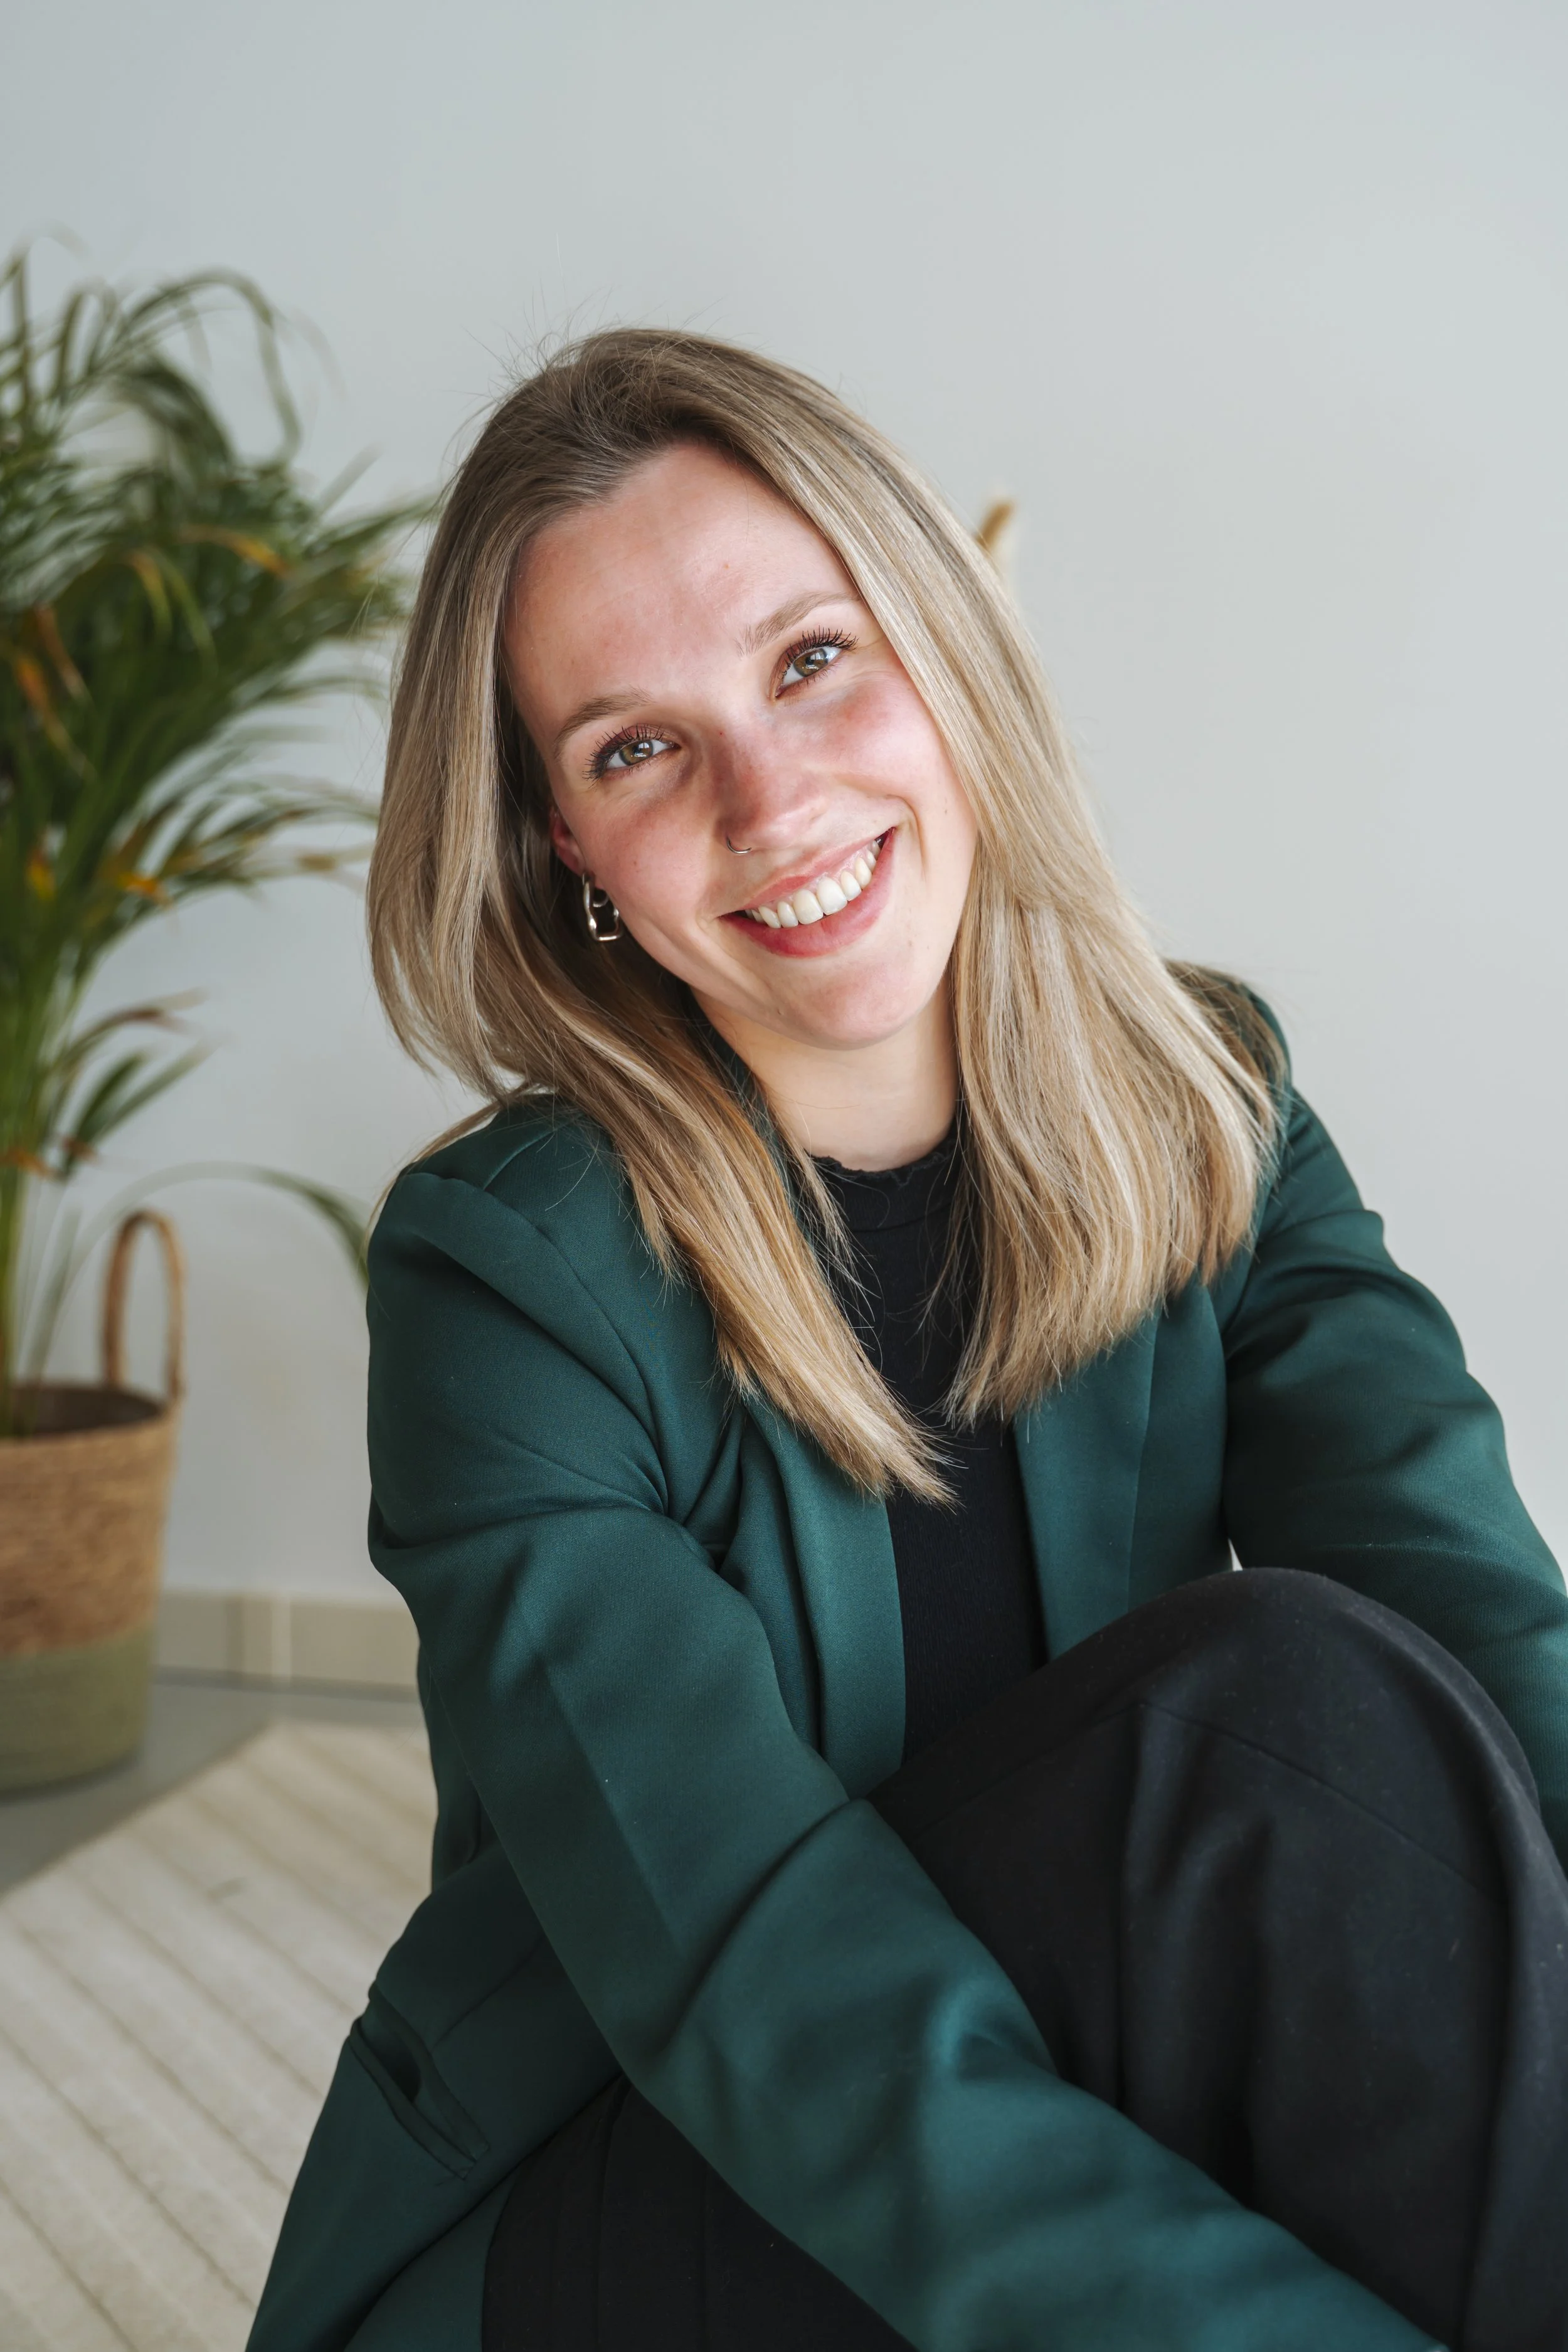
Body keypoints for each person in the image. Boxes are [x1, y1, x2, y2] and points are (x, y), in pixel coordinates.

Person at [246, 332, 1568, 2352]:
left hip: (1037, 2106)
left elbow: (1473, 1612)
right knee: (1264, 1717)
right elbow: (766, 1984)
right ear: (562, 862)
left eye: (806, 659)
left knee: (1374, 1734)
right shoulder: (506, 1279)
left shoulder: (1204, 1101)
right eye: (632, 747)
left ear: (943, 649)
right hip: (621, 2195)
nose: (772, 800)